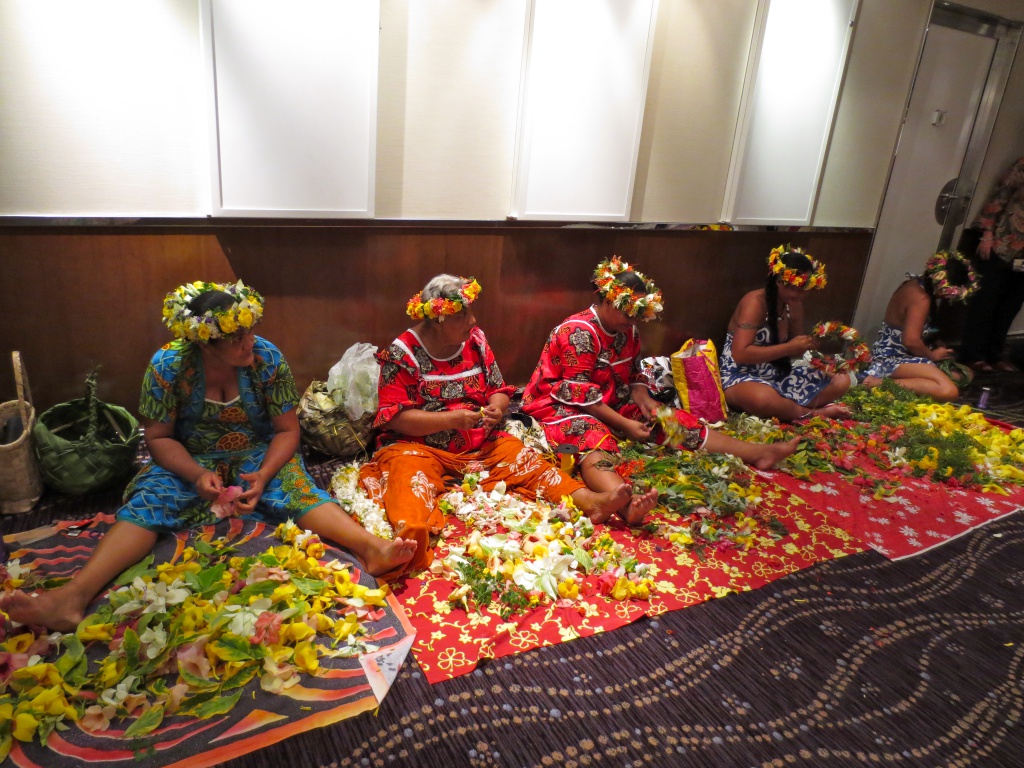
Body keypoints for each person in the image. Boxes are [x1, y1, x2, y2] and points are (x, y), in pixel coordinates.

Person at [0, 280, 416, 632]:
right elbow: (159, 438)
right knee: (152, 502)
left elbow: (288, 431)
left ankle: (371, 547)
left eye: (250, 332)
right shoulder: (168, 366)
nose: (250, 343)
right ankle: (73, 596)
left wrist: (266, 474)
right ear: (205, 344)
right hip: (191, 456)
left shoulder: (266, 359)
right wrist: (197, 474)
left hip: (259, 452)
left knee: (296, 489)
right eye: (237, 339)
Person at [357, 275, 629, 575]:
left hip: (480, 443)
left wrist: (497, 410)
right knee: (406, 480)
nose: (472, 320)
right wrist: (451, 420)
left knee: (527, 461)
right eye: (462, 315)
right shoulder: (403, 352)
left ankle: (590, 501)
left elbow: (498, 389)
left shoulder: (474, 340)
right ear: (438, 318)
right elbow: (395, 417)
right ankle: (411, 543)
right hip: (418, 448)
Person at [520, 257, 800, 527]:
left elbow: (634, 375)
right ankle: (625, 504)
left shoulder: (628, 330)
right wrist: (625, 424)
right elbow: (581, 396)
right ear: (606, 300)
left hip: (610, 401)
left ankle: (757, 453)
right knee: (592, 436)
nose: (633, 320)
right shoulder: (579, 333)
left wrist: (642, 396)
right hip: (560, 406)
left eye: (638, 314)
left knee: (668, 418)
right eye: (627, 312)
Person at [720, 245, 851, 421]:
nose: (799, 294)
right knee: (763, 399)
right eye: (793, 287)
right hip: (739, 375)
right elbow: (740, 354)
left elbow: (795, 351)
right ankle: (811, 413)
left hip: (776, 373)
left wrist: (808, 344)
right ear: (778, 280)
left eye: (803, 288)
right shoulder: (754, 303)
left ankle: (789, 408)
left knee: (841, 379)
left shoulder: (794, 305)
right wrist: (789, 347)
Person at [861, 251, 978, 401]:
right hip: (892, 359)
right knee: (948, 390)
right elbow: (910, 341)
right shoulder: (920, 297)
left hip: (909, 357)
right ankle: (877, 383)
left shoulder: (918, 284)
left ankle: (917, 384)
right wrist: (932, 356)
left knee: (964, 374)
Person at [959, 156, 1024, 373]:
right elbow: (999, 197)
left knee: (1011, 306)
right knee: (985, 302)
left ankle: (994, 354)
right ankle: (973, 354)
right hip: (1003, 242)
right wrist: (986, 234)